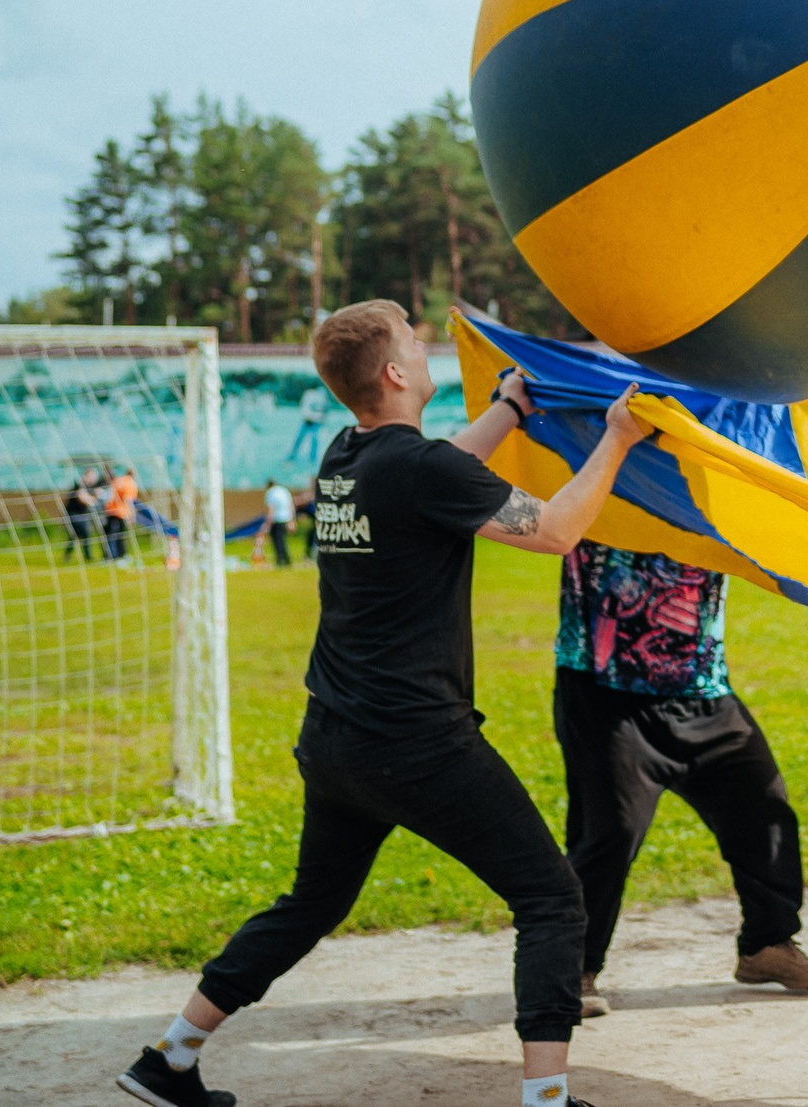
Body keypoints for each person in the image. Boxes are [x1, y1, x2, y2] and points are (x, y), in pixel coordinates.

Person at [114, 299, 649, 1107]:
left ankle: (169, 1059)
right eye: (414, 340)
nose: (427, 345)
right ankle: (546, 1101)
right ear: (396, 373)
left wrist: (506, 410)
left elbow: (440, 471)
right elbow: (554, 529)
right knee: (550, 895)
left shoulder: (347, 456)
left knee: (311, 903)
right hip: (417, 744)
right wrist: (619, 435)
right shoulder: (419, 469)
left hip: (335, 737)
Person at [556, 532, 808, 1014]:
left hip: (703, 689)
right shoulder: (596, 464)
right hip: (605, 692)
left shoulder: (711, 472)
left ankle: (766, 946)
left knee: (763, 809)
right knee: (610, 833)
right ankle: (569, 973)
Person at [255, 478, 296, 569]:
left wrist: (267, 523)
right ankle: (287, 559)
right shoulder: (284, 491)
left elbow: (271, 509)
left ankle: (281, 560)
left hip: (277, 519)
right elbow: (291, 505)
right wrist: (292, 520)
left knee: (277, 541)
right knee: (283, 540)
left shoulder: (271, 493)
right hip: (286, 518)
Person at [103, 465, 141, 562]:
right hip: (121, 512)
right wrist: (132, 515)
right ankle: (117, 556)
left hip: (110, 510)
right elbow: (128, 500)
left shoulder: (118, 480)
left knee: (111, 534)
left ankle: (114, 555)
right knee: (119, 535)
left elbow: (109, 494)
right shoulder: (130, 484)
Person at [63, 469, 102, 561]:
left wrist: (94, 496)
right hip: (74, 513)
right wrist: (93, 500)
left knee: (75, 534)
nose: (94, 479)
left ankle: (68, 556)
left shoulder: (89, 487)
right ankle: (87, 556)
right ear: (86, 476)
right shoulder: (79, 485)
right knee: (84, 532)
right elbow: (82, 498)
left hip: (82, 514)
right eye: (92, 476)